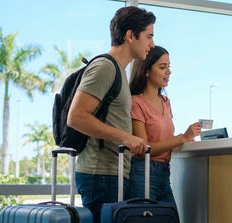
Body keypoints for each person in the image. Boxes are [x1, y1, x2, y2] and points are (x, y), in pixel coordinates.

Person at [66, 6, 156, 223]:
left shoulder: (119, 71)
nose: (152, 44)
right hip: (101, 176)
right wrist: (126, 138)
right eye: (149, 37)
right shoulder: (105, 67)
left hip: (111, 175)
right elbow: (76, 117)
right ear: (130, 36)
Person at [129, 45, 202, 207]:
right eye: (163, 67)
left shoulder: (165, 102)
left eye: (169, 67)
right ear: (146, 70)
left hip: (164, 172)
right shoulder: (136, 103)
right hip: (143, 173)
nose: (169, 72)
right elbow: (143, 150)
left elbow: (165, 141)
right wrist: (182, 137)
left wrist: (185, 139)